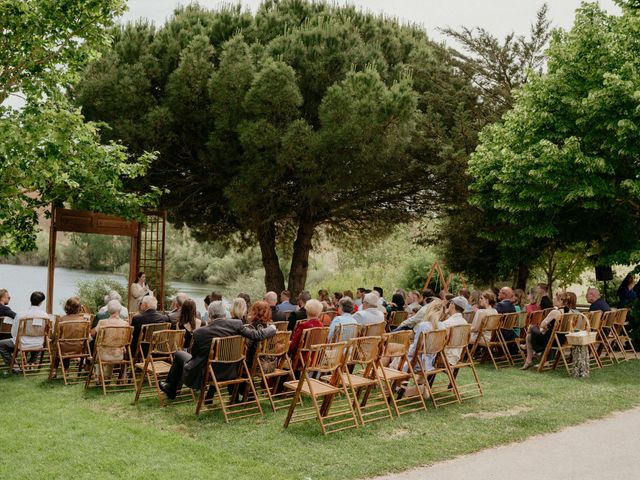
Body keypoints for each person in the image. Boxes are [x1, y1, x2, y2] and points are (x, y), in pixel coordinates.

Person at [158, 305, 277, 400]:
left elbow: (194, 355)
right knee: (184, 357)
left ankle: (171, 388)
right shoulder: (236, 325)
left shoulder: (200, 333)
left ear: (209, 315)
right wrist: (271, 328)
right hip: (232, 371)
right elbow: (256, 335)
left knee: (179, 354)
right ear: (224, 313)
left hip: (209, 373)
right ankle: (171, 387)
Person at [0, 291, 48, 372]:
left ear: (30, 300)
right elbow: (45, 332)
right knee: (36, 342)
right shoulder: (45, 316)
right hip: (39, 344)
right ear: (41, 302)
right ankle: (31, 363)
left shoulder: (21, 315)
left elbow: (14, 333)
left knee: (1, 345)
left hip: (23, 343)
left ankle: (14, 365)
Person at [522, 292, 570, 370]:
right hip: (562, 339)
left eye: (554, 298)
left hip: (550, 340)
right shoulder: (569, 312)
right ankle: (529, 360)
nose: (552, 299)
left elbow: (542, 324)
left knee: (531, 327)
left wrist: (545, 327)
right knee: (529, 336)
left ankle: (530, 356)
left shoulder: (555, 312)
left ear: (561, 301)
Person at [91, 300, 130, 379]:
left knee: (99, 347)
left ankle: (99, 376)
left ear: (108, 311)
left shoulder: (102, 323)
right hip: (119, 355)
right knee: (112, 346)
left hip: (103, 355)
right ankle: (107, 376)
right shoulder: (125, 324)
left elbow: (92, 334)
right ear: (119, 310)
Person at [244, 300, 272, 371]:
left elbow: (247, 347)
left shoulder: (251, 328)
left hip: (255, 364)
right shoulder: (271, 326)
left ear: (254, 311)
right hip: (271, 364)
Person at [442, 296, 470, 365]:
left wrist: (443, 315)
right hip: (457, 356)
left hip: (444, 357)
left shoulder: (447, 323)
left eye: (450, 303)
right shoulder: (465, 323)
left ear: (452, 305)